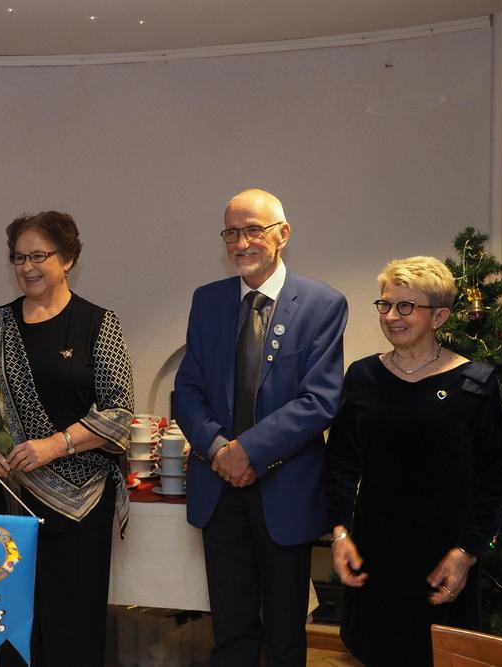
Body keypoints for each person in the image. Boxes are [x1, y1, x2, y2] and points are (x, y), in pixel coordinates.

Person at [0, 211, 134, 666]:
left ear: (67, 259)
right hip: (5, 506)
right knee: (7, 630)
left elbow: (119, 413)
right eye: (18, 258)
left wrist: (55, 445)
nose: (27, 267)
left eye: (38, 256)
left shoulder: (97, 324)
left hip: (79, 508)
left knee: (73, 633)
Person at [173, 188, 348, 666]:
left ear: (282, 234)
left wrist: (247, 451)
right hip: (219, 490)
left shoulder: (322, 304)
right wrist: (218, 449)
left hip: (284, 490)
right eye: (231, 233)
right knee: (230, 629)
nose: (241, 243)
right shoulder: (208, 301)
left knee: (286, 635)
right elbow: (187, 390)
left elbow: (320, 400)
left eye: (253, 230)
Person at [326, 256, 502, 667]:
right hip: (373, 557)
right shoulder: (362, 377)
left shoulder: (475, 383)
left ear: (439, 316)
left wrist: (466, 552)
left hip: (444, 561)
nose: (392, 316)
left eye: (406, 306)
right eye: (386, 304)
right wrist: (340, 534)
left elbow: (494, 477)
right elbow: (341, 461)